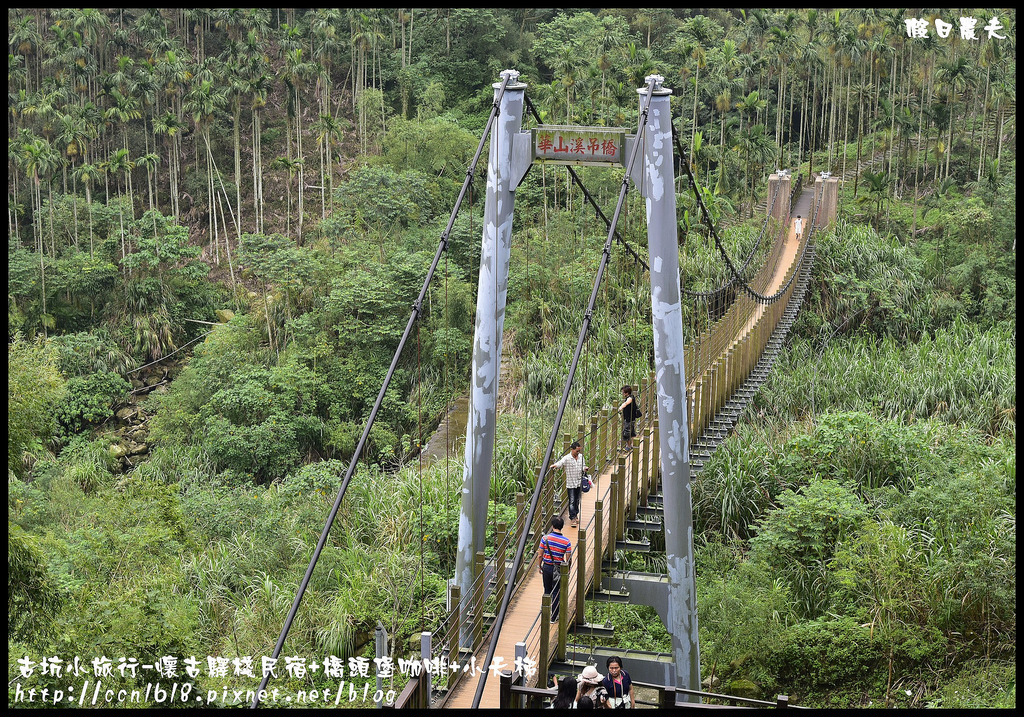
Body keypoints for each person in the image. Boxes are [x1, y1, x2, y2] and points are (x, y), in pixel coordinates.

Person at [537, 516, 572, 623]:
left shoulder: (545, 538)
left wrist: (540, 566)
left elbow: (540, 554)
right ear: (562, 527)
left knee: (547, 589)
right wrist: (568, 568)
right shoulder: (566, 541)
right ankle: (553, 617)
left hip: (547, 566)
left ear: (552, 526)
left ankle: (545, 609)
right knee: (556, 591)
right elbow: (568, 557)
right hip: (559, 568)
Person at [549, 440, 588, 528]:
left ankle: (576, 514)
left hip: (578, 482)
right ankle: (572, 518)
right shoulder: (567, 458)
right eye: (577, 451)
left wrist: (585, 468)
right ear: (572, 449)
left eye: (579, 451)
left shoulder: (581, 457)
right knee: (572, 501)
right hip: (570, 483)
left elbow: (583, 466)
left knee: (577, 500)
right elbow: (561, 463)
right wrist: (555, 465)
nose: (578, 453)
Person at [618, 385, 640, 452]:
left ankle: (628, 446)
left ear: (627, 393)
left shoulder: (630, 398)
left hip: (629, 419)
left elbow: (627, 403)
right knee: (632, 432)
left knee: (627, 433)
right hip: (630, 418)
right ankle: (635, 445)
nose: (623, 393)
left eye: (623, 392)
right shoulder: (630, 397)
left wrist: (620, 407)